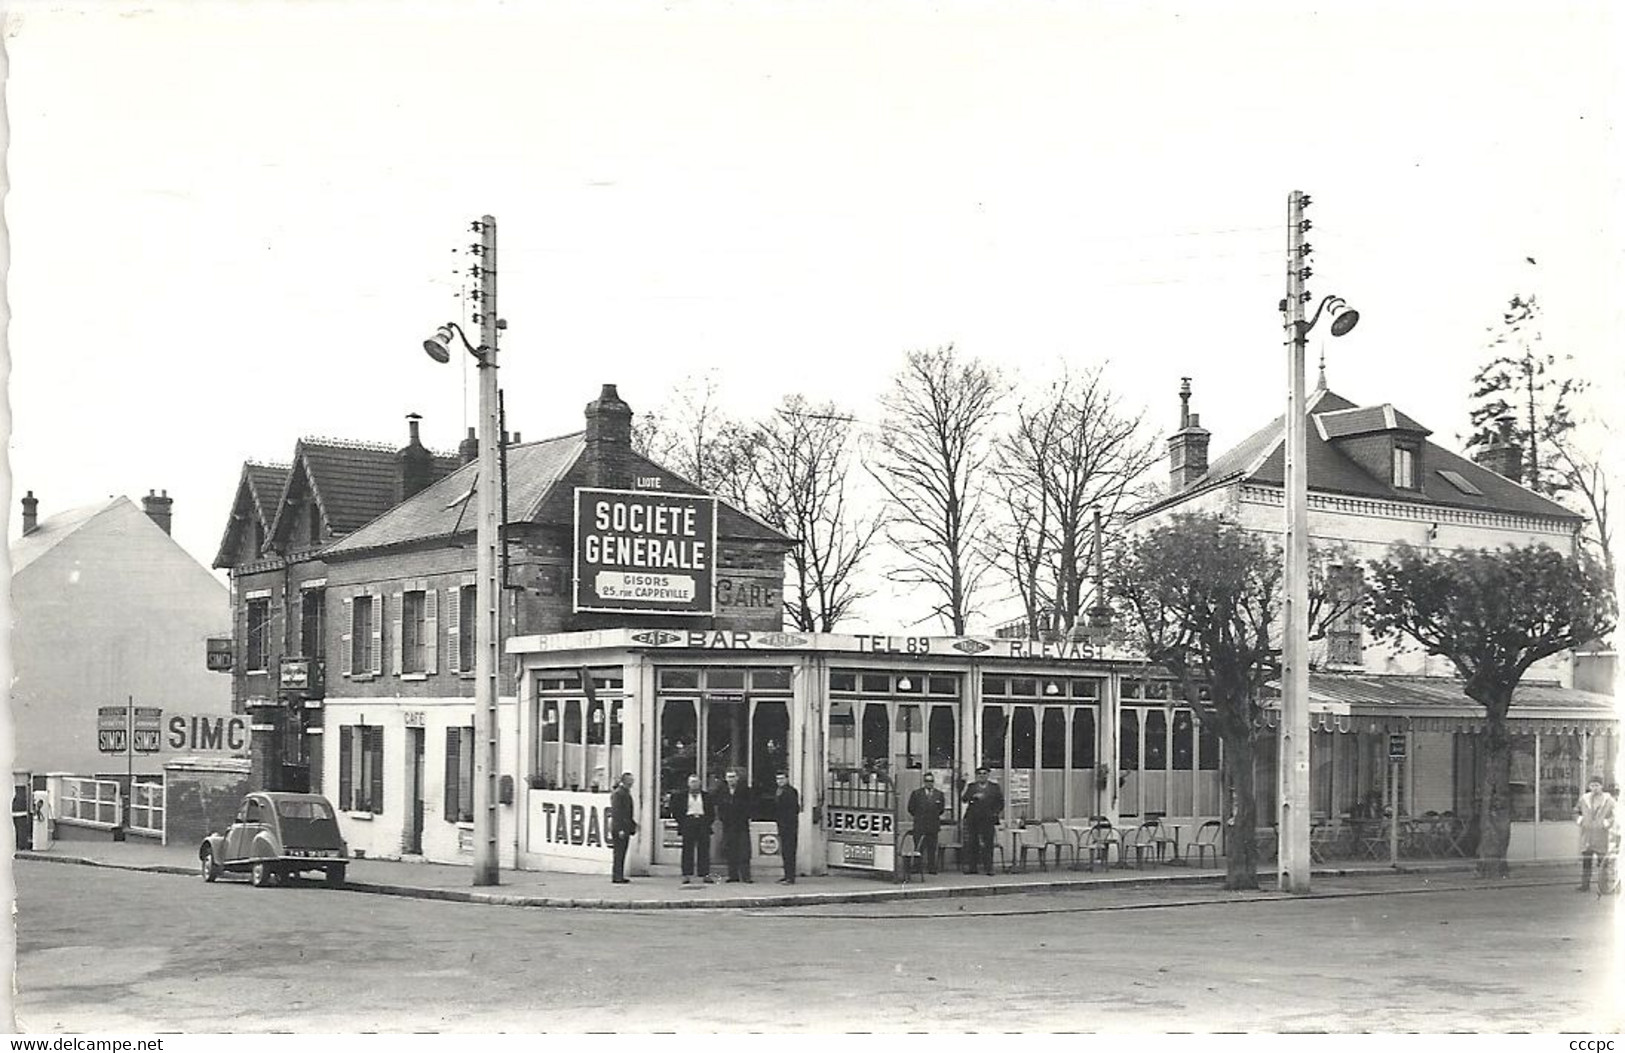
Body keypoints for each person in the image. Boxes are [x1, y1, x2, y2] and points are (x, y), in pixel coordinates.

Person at [668, 773, 715, 885]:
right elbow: (675, 810)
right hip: (688, 822)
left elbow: (711, 812)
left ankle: (704, 874)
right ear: (688, 784)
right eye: (692, 782)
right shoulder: (682, 796)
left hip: (702, 822)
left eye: (696, 781)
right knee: (687, 850)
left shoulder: (706, 796)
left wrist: (707, 822)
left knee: (704, 850)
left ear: (700, 783)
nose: (694, 784)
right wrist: (682, 822)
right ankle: (686, 874)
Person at [960, 766, 1004, 876]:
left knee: (988, 844)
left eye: (984, 773)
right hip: (973, 819)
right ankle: (972, 867)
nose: (982, 776)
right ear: (977, 776)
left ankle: (989, 868)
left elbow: (1000, 802)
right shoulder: (972, 787)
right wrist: (972, 795)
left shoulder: (994, 787)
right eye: (979, 774)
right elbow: (964, 799)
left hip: (988, 819)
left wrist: (995, 813)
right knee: (972, 843)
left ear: (988, 775)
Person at [1574, 776, 1616, 892]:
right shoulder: (1584, 799)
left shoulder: (1609, 800)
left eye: (1597, 785)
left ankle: (1604, 886)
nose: (1594, 788)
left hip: (1602, 835)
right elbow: (1576, 811)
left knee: (1603, 864)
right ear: (1589, 786)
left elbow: (1615, 815)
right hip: (1587, 836)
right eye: (1592, 785)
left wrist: (1607, 823)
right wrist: (1580, 820)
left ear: (1601, 786)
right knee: (1586, 862)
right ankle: (1585, 885)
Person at [716, 768, 754, 883]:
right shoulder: (722, 791)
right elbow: (719, 806)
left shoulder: (745, 790)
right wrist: (723, 818)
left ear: (737, 778)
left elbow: (750, 805)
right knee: (730, 850)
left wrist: (745, 816)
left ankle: (746, 876)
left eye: (733, 777)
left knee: (744, 851)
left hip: (741, 824)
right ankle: (733, 875)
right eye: (729, 777)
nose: (731, 779)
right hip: (728, 825)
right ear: (726, 779)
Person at [907, 772, 947, 875]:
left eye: (931, 781)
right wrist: (919, 816)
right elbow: (911, 808)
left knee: (932, 847)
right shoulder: (916, 793)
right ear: (924, 782)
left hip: (933, 825)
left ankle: (931, 867)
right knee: (919, 847)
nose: (929, 783)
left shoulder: (939, 794)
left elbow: (941, 809)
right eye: (927, 781)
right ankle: (917, 867)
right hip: (920, 824)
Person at [772, 771, 801, 884]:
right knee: (785, 851)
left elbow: (793, 809)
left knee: (789, 851)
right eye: (778, 779)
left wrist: (787, 822)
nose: (780, 781)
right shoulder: (778, 791)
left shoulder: (791, 791)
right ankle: (786, 875)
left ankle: (790, 877)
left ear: (787, 779)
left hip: (790, 825)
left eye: (782, 779)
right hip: (782, 825)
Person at [608, 772, 637, 884]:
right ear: (625, 781)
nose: (632, 782)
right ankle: (617, 876)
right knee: (619, 852)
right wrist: (620, 828)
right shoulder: (619, 794)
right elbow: (617, 812)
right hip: (620, 827)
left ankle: (619, 875)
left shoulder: (624, 793)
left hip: (624, 826)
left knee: (622, 851)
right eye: (630, 780)